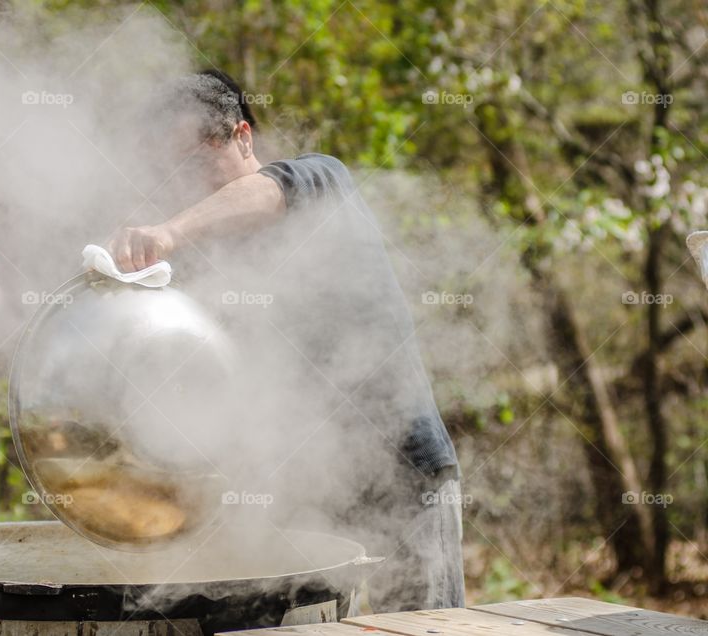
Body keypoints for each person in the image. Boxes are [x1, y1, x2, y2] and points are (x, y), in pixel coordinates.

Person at [108, 71, 465, 611]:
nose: (186, 185)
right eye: (169, 173)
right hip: (301, 497)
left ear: (244, 138)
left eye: (197, 161)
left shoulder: (322, 181)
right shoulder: (210, 270)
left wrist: (168, 233)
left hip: (400, 476)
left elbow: (268, 191)